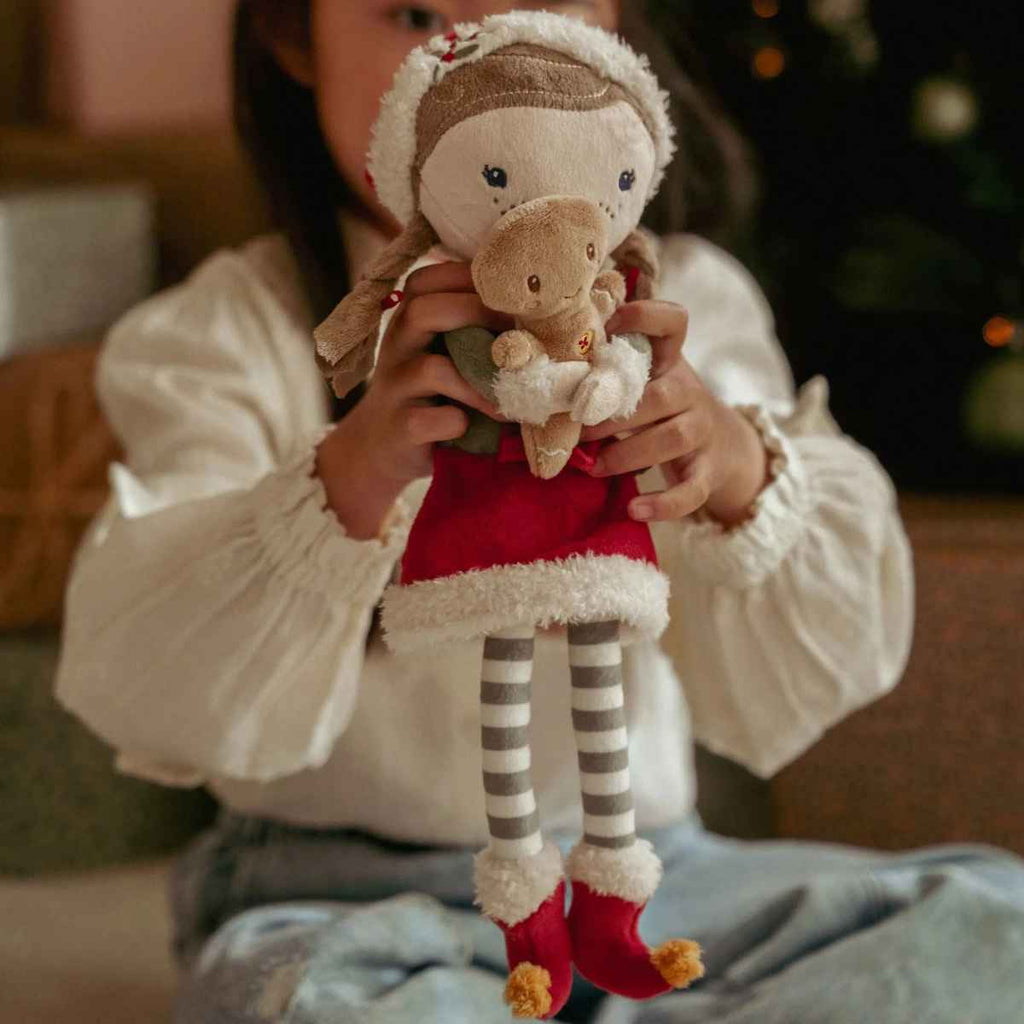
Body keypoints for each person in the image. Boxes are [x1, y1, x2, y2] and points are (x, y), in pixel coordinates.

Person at [54, 3, 1024, 1023]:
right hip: (337, 899)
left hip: (653, 873)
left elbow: (830, 653)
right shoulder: (223, 333)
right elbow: (147, 673)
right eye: (415, 14)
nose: (483, 60)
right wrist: (351, 474)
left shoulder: (683, 298)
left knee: (990, 926)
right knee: (316, 1007)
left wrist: (729, 466)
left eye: (537, 7)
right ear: (294, 38)